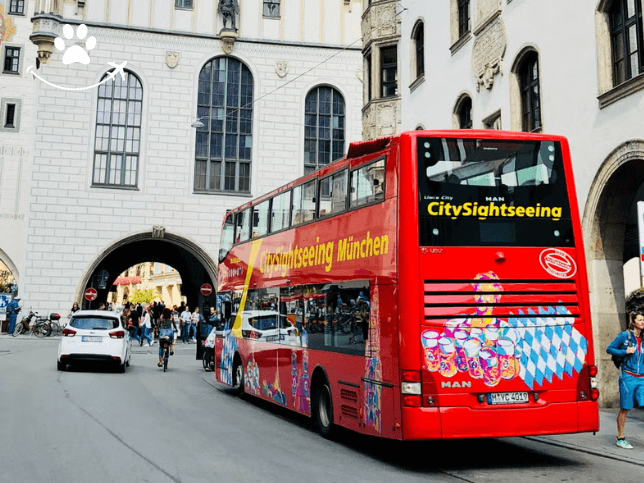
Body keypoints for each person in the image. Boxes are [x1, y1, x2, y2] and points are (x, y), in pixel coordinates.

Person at [607, 311, 644, 449]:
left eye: (643, 320)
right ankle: (620, 438)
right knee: (625, 408)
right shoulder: (625, 336)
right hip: (628, 377)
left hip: (642, 378)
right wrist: (624, 352)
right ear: (633, 322)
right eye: (640, 320)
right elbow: (609, 349)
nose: (642, 322)